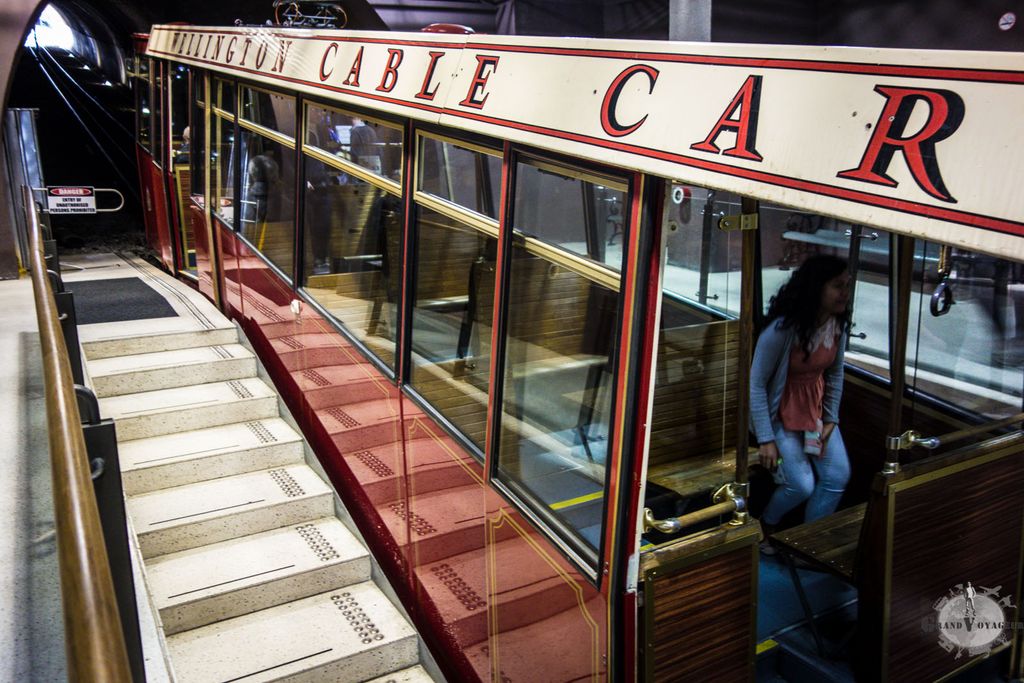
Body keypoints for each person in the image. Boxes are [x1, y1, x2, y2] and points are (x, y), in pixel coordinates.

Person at [751, 255, 852, 551]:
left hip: (814, 412)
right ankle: (767, 525)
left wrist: (831, 417)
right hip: (780, 415)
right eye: (837, 286)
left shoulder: (836, 326)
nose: (844, 293)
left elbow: (835, 373)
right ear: (816, 289)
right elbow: (756, 385)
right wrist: (766, 440)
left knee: (837, 475)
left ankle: (808, 543)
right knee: (801, 485)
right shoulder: (782, 330)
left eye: (847, 285)